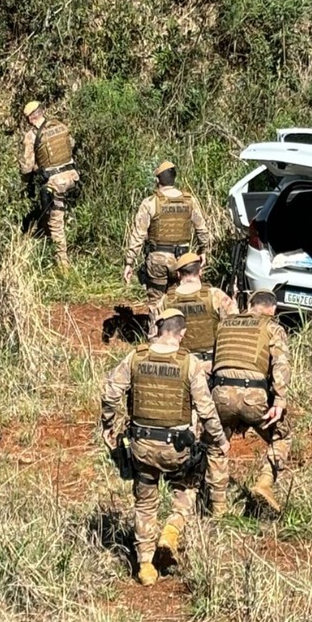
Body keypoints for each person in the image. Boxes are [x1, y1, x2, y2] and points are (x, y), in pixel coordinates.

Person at [100, 308, 230, 586]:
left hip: (141, 446)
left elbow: (111, 393)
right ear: (182, 334)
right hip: (177, 449)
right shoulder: (189, 363)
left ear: (158, 329)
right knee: (187, 488)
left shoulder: (135, 357)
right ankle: (171, 531)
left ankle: (145, 566)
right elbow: (206, 412)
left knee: (145, 503)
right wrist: (219, 439)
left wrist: (108, 426)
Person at [204, 290, 292, 516]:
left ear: (250, 305)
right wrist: (280, 401)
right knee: (282, 436)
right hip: (254, 396)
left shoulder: (224, 325)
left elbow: (213, 363)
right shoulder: (273, 328)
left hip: (220, 393)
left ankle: (217, 509)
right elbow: (281, 365)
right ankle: (264, 482)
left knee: (216, 445)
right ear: (272, 310)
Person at [122, 161, 210, 305]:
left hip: (158, 259)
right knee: (181, 301)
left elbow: (138, 235)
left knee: (156, 304)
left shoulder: (150, 202)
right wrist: (203, 250)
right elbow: (202, 229)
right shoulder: (189, 201)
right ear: (174, 178)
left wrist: (129, 262)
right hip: (183, 260)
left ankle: (156, 326)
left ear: (157, 180)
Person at [19, 100, 80, 270]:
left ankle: (63, 266)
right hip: (73, 177)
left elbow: (27, 167)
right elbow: (71, 145)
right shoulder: (60, 126)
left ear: (30, 118)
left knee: (55, 222)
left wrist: (27, 183)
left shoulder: (31, 136)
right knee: (54, 212)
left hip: (56, 183)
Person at [150, 252, 238, 368]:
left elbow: (154, 337)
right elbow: (234, 328)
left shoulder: (166, 300)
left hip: (180, 365)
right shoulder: (215, 295)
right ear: (200, 271)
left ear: (178, 274)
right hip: (211, 364)